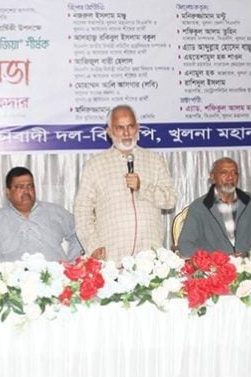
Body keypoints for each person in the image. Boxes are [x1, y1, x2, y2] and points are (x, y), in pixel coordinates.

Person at [73, 105, 177, 262]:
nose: (127, 133)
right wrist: (93, 246)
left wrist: (143, 188)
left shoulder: (155, 160)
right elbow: (82, 210)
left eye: (130, 126)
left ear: (138, 128)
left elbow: (170, 200)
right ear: (109, 132)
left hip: (149, 258)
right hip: (112, 258)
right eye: (120, 128)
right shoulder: (95, 165)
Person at [0, 167, 82, 263]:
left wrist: (72, 264)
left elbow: (80, 233)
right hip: (14, 274)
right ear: (8, 192)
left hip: (54, 273)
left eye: (30, 186)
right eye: (20, 187)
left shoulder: (55, 212)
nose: (26, 191)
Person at [177, 157, 251, 257]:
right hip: (215, 264)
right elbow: (186, 245)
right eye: (224, 173)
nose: (230, 177)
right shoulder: (199, 207)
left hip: (249, 264)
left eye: (234, 173)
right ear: (212, 177)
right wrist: (217, 259)